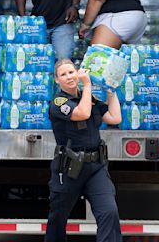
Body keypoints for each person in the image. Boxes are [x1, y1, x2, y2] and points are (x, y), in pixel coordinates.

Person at [45, 59, 122, 242]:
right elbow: (82, 113)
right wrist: (87, 85)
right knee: (58, 218)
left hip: (95, 167)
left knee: (109, 212)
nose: (69, 77)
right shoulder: (58, 102)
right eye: (63, 74)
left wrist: (111, 91)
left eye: (71, 72)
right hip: (70, 168)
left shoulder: (91, 99)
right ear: (57, 80)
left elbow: (114, 117)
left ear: (77, 73)